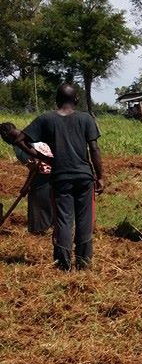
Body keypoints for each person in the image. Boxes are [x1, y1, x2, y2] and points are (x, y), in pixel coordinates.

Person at [5, 83, 104, 270]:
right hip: (84, 176)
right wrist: (100, 177)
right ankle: (83, 263)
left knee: (63, 219)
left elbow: (19, 139)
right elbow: (94, 149)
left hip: (60, 177)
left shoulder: (46, 119)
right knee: (84, 219)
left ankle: (62, 264)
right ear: (76, 99)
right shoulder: (86, 118)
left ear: (57, 100)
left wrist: (42, 157)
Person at [0, 123, 53, 234]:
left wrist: (26, 186)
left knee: (37, 199)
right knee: (51, 199)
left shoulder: (18, 145)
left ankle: (39, 230)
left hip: (44, 173)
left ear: (5, 135)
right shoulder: (30, 135)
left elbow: (34, 168)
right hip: (56, 170)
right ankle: (51, 226)